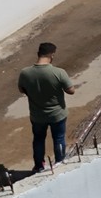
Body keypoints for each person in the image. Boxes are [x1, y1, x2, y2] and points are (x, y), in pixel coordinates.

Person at [18, 42, 75, 173]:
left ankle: (39, 166)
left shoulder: (25, 73)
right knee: (59, 138)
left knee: (38, 140)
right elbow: (71, 91)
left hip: (37, 116)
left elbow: (21, 89)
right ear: (51, 55)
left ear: (38, 54)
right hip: (57, 114)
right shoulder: (58, 72)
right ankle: (60, 162)